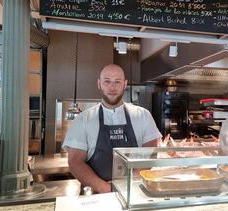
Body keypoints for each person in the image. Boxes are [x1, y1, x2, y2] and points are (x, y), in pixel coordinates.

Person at [62, 64, 162, 193]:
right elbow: (75, 162)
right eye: (107, 81)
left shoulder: (143, 116)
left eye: (117, 81)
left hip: (133, 192)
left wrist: (127, 183)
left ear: (125, 84)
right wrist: (105, 188)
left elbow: (150, 154)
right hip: (96, 196)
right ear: (99, 83)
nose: (112, 87)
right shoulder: (83, 119)